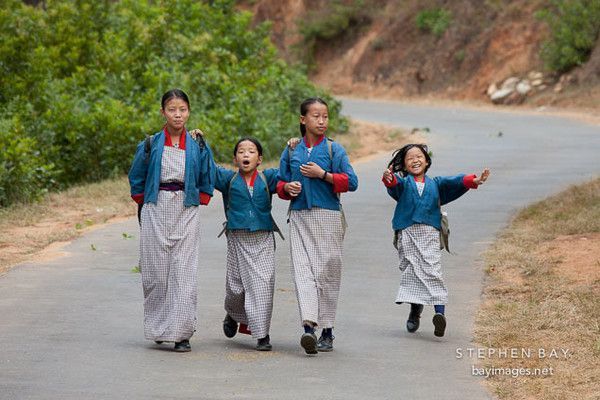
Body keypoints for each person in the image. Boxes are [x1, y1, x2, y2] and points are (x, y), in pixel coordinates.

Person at [128, 89, 214, 352]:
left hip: (186, 210)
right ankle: (158, 328)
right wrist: (146, 200)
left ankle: (182, 334)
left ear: (189, 111)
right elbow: (137, 177)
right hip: (156, 208)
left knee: (184, 271)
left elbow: (207, 174)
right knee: (157, 273)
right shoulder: (151, 144)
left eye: (183, 109)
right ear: (163, 112)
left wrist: (198, 198)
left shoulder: (198, 143)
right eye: (172, 109)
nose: (178, 114)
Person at [382, 143, 490, 337]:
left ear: (427, 161)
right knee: (413, 272)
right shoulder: (403, 183)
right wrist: (388, 178)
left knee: (433, 271)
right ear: (404, 166)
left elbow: (456, 181)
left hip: (430, 234)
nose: (415, 160)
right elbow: (393, 185)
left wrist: (475, 180)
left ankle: (439, 314)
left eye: (419, 157)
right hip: (407, 233)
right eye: (410, 158)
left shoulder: (436, 184)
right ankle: (415, 311)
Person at [277, 97, 358, 355]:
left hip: (329, 216)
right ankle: (309, 328)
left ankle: (328, 329)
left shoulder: (335, 151)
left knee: (327, 273)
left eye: (325, 116)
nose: (321, 121)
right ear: (303, 120)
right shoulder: (292, 150)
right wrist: (287, 189)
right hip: (300, 216)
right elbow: (279, 183)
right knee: (303, 272)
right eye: (316, 116)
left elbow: (352, 182)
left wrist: (323, 175)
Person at [214, 137, 281, 351]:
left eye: (251, 151)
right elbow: (208, 168)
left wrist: (292, 148)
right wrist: (200, 143)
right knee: (236, 287)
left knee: (262, 285)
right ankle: (233, 314)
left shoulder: (267, 177)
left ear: (260, 159)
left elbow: (289, 171)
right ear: (235, 159)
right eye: (241, 151)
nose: (246, 155)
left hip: (262, 237)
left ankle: (262, 335)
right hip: (236, 237)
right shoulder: (228, 179)